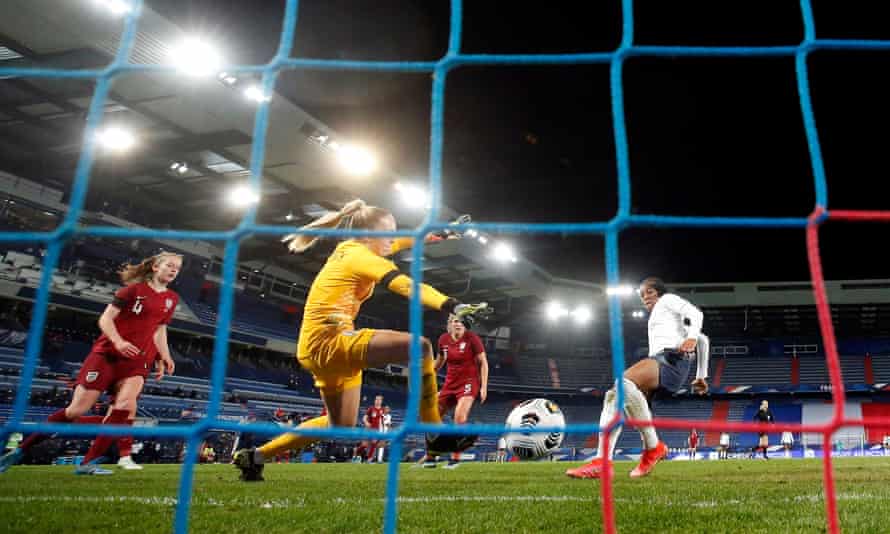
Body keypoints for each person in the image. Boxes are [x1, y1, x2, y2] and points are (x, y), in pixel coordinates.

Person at [232, 200, 489, 481]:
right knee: (421, 346)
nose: (392, 239)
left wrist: (442, 233)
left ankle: (255, 457)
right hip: (331, 340)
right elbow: (404, 284)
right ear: (369, 236)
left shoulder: (351, 250)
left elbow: (404, 241)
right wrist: (450, 304)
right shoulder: (359, 256)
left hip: (319, 346)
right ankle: (435, 432)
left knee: (338, 426)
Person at [0, 251, 180, 475]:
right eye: (170, 265)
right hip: (107, 355)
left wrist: (165, 355)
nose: (174, 270)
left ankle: (88, 463)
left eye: (177, 268)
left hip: (137, 361)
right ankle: (21, 450)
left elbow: (159, 329)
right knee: (76, 410)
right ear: (155, 266)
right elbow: (105, 319)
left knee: (125, 406)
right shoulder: (132, 291)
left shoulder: (172, 298)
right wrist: (118, 341)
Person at [567, 276, 709, 479]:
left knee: (623, 384)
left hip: (671, 360)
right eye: (642, 294)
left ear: (660, 291)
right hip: (662, 361)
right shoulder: (662, 318)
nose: (645, 297)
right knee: (614, 398)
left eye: (649, 291)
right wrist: (701, 375)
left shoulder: (667, 300)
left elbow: (695, 314)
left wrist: (692, 336)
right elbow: (704, 341)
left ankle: (645, 450)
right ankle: (609, 459)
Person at [423, 314, 488, 469]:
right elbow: (439, 362)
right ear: (450, 324)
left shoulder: (472, 338)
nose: (458, 324)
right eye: (454, 321)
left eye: (460, 321)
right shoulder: (443, 340)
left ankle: (455, 458)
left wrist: (484, 386)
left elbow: (483, 363)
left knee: (459, 417)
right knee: (432, 417)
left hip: (468, 383)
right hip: (449, 384)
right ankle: (431, 457)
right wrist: (425, 374)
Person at [363, 394, 385, 463]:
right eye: (376, 399)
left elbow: (382, 420)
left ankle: (369, 458)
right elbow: (364, 418)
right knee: (368, 444)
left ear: (381, 401)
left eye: (379, 399)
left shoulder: (382, 410)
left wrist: (383, 429)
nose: (377, 401)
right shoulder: (371, 408)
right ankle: (367, 458)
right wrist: (366, 422)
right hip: (369, 429)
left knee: (374, 443)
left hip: (377, 430)